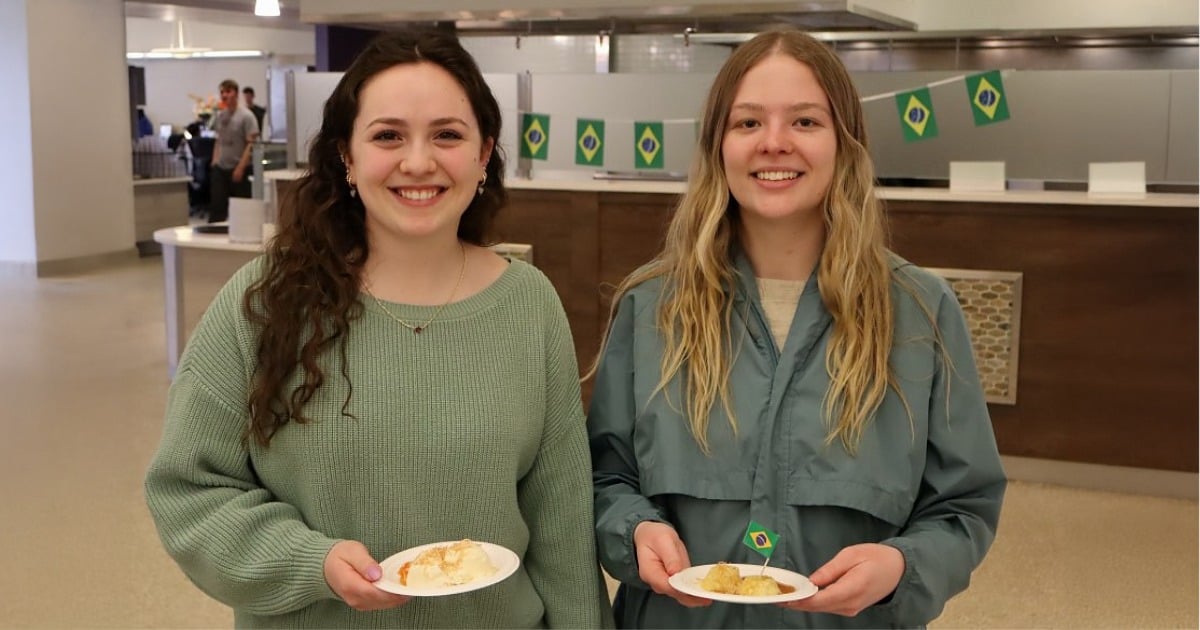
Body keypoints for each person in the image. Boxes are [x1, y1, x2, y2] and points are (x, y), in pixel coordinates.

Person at [145, 30, 612, 628]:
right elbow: (189, 490)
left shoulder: (528, 304)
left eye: (447, 135)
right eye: (388, 136)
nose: (418, 162)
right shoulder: (265, 300)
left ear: (483, 153)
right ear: (347, 155)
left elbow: (562, 517)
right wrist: (309, 561)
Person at [588, 28, 1006, 629]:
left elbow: (964, 505)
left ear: (845, 143)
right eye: (748, 123)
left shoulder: (920, 310)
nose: (774, 144)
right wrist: (634, 530)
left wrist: (901, 565)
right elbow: (607, 474)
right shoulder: (652, 305)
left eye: (805, 122)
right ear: (718, 146)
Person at [208, 78, 259, 222]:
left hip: (239, 168)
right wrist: (215, 160)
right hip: (221, 167)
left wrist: (241, 167)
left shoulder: (247, 116)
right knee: (217, 206)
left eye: (228, 91)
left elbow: (251, 144)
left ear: (236, 93)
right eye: (222, 92)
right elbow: (219, 140)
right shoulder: (221, 116)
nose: (224, 95)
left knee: (241, 208)